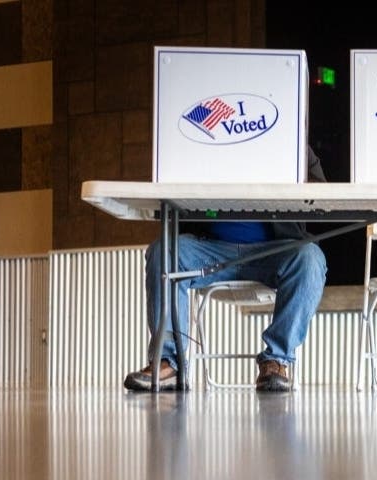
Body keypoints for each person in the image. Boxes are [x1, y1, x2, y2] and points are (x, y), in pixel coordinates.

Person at [124, 146, 328, 393]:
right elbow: (169, 178)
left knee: (310, 259)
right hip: (210, 247)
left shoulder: (288, 135)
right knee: (163, 251)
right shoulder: (204, 132)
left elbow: (320, 190)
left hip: (274, 249)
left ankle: (276, 361)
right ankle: (168, 363)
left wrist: (281, 163)